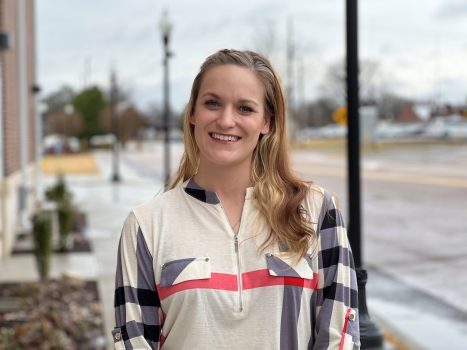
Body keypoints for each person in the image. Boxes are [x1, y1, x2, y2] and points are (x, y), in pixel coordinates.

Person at [112, 49, 360, 350]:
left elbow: (339, 340)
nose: (226, 120)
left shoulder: (317, 211)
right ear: (193, 113)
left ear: (266, 121)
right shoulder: (145, 226)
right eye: (212, 103)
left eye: (245, 108)